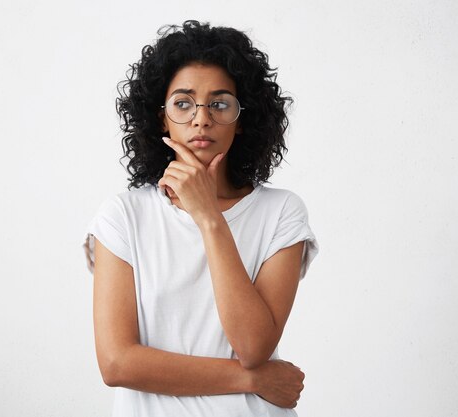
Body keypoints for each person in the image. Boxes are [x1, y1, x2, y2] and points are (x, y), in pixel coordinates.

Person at [83, 20, 319, 417]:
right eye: (183, 103)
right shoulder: (123, 215)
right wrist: (252, 379)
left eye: (220, 103)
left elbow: (253, 346)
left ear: (243, 118)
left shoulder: (282, 212)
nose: (202, 118)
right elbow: (117, 364)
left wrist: (209, 218)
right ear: (161, 117)